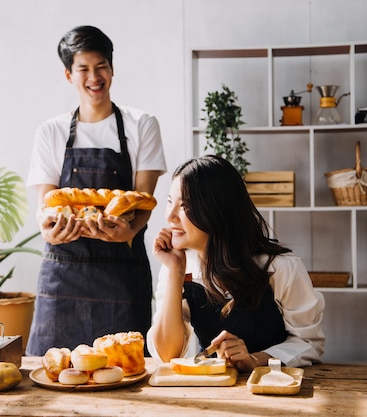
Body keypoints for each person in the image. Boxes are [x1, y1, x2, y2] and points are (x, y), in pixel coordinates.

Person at [25, 25, 166, 356]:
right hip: (63, 274)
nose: (94, 77)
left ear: (112, 69)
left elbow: (143, 201)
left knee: (126, 369)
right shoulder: (51, 131)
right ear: (68, 75)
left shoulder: (141, 124)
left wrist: (127, 230)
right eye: (83, 69)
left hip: (122, 271)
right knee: (51, 372)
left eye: (101, 66)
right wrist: (49, 230)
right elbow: (46, 204)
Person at [147, 155, 324, 372]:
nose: (170, 216)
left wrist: (254, 359)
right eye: (169, 203)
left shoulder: (281, 268)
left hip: (278, 388)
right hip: (214, 391)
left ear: (217, 211)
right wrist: (175, 271)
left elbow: (309, 343)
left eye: (185, 206)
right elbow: (167, 355)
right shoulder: (178, 268)